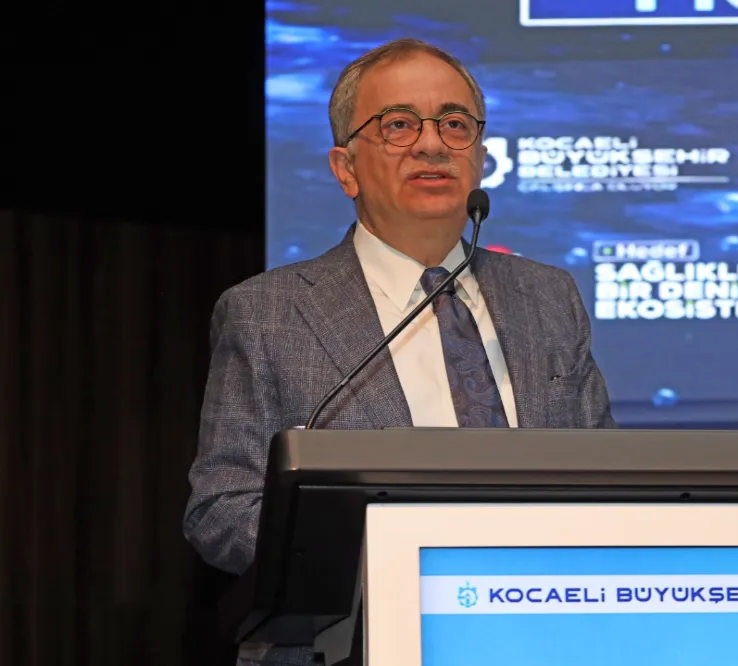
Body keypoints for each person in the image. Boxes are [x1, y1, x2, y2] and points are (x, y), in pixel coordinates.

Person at [183, 37, 617, 666]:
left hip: (545, 636)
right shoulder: (268, 313)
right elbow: (222, 511)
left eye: (455, 124)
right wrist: (380, 553)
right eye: (398, 125)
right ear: (346, 168)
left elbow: (604, 475)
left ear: (481, 157)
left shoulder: (548, 297)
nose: (432, 144)